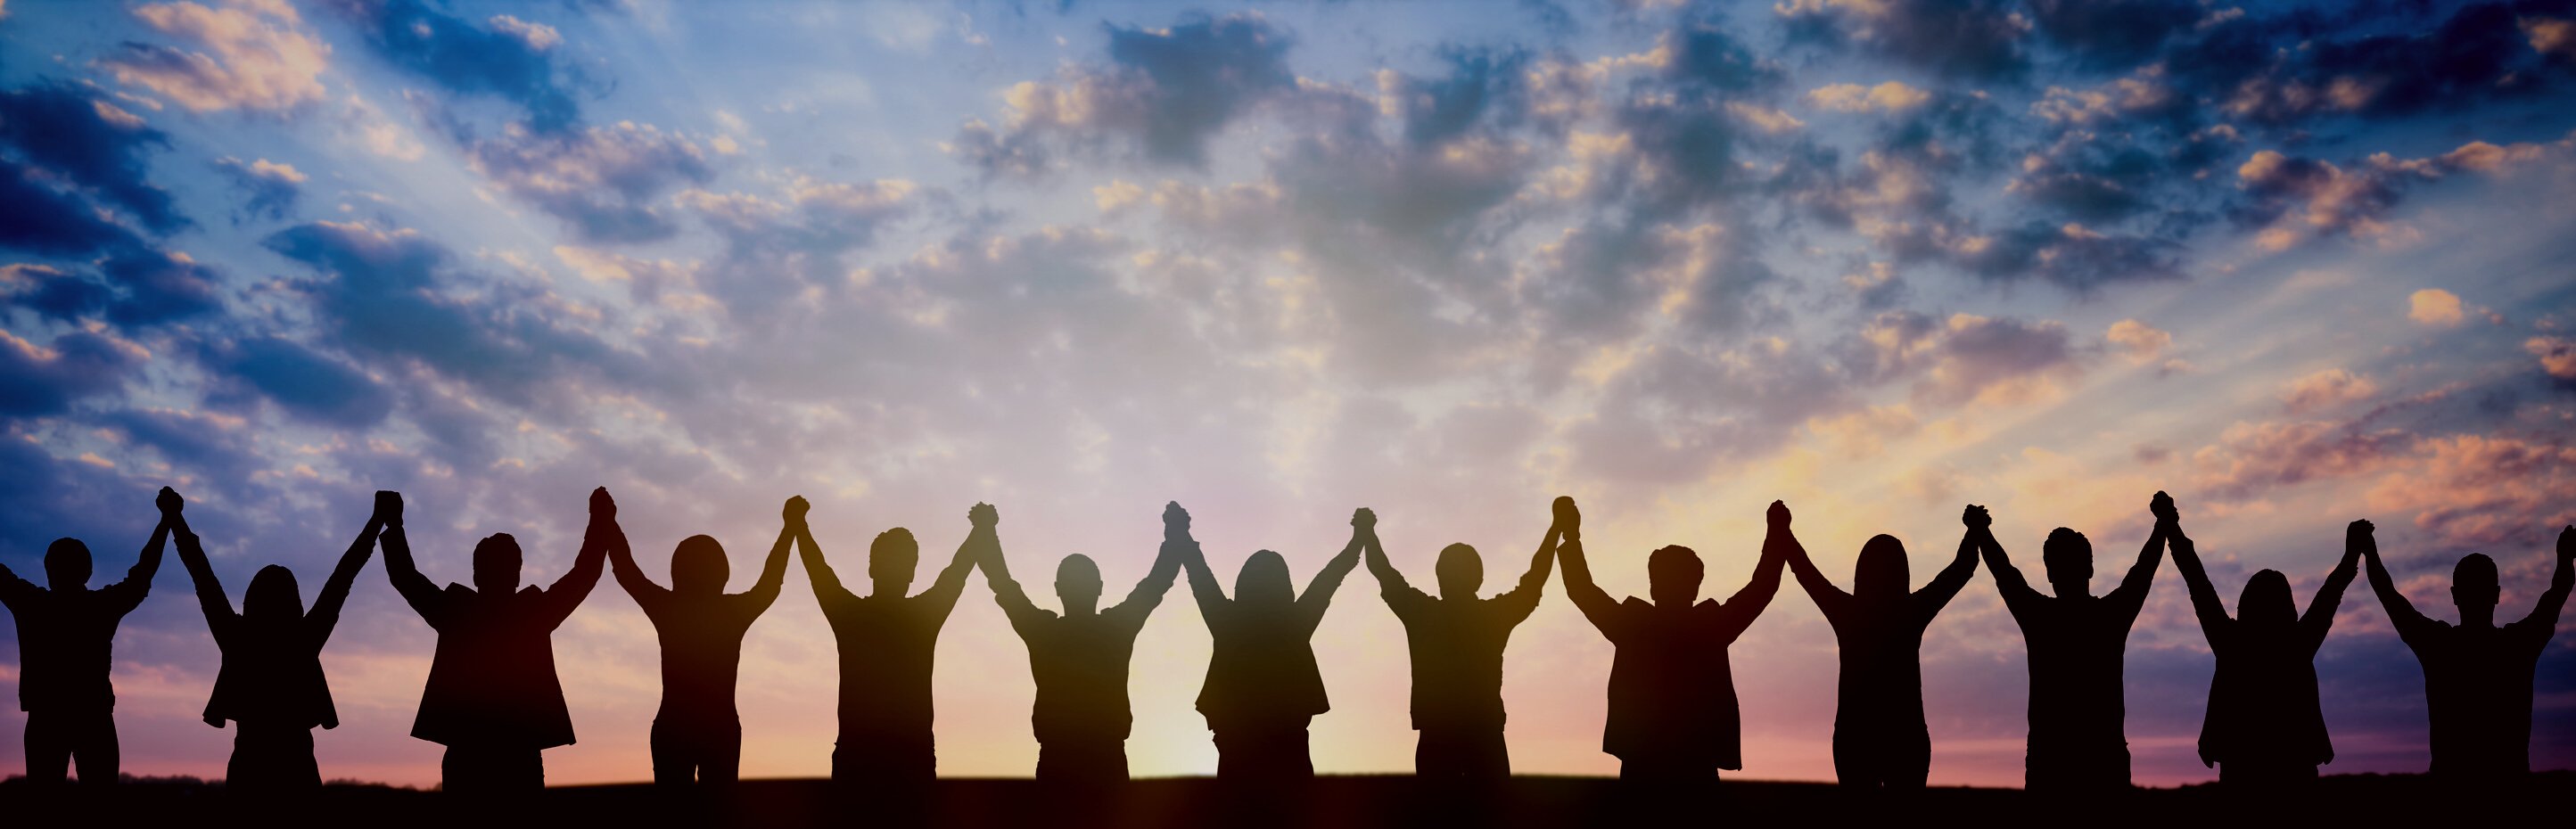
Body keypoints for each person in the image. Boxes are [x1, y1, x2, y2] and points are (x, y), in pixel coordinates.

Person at [382, 487, 611, 792]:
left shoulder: (456, 612)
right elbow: (585, 574)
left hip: (471, 752)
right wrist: (599, 522)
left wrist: (393, 525)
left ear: (476, 574)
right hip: (517, 753)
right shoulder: (534, 613)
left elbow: (404, 576)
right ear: (516, 574)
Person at [1560, 497, 1791, 784]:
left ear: (1652, 585)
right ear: (1695, 586)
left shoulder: (1632, 625)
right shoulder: (1712, 626)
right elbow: (1762, 587)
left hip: (1644, 761)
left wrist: (1570, 536)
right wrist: (1777, 535)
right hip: (1693, 762)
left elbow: (1581, 589)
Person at [172, 488, 382, 791]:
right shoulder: (304, 638)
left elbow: (201, 573)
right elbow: (343, 575)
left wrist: (175, 519)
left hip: (248, 767)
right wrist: (376, 522)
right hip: (297, 769)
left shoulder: (236, 636)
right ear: (294, 602)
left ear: (250, 600)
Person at [977, 502, 1182, 784]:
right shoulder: (1115, 629)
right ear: (1099, 587)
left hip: (1058, 763)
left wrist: (987, 533)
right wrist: (1174, 535)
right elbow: (1156, 584)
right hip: (1105, 762)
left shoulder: (1043, 632)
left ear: (1058, 590)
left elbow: (1002, 583)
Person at [1781, 503, 1978, 791]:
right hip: (1903, 735)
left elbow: (1805, 571)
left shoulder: (1848, 612)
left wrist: (1783, 531)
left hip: (1856, 736)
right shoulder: (1910, 611)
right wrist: (1974, 531)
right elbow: (1961, 570)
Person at [1979, 492, 2167, 792]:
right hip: (2103, 764)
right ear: (2090, 568)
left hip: (2051, 764)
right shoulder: (2110, 616)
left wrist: (1982, 531)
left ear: (2050, 573)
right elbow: (2142, 573)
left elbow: (2005, 574)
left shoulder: (2039, 617)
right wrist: (2162, 525)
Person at [606, 495, 797, 789]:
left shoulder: (668, 607)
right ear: (722, 573)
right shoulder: (732, 612)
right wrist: (789, 529)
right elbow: (771, 584)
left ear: (676, 571)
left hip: (675, 727)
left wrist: (608, 522)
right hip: (718, 729)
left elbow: (626, 571)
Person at [1363, 499, 1558, 781]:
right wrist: (1555, 530)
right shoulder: (1493, 617)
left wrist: (1368, 533)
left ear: (1440, 578)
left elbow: (1382, 571)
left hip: (1438, 737)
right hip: (1485, 736)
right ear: (1478, 579)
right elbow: (1534, 581)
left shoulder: (1421, 614)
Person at [2363, 521, 2573, 780]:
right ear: (2497, 595)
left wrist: (2369, 553)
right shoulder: (2518, 645)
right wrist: (2564, 560)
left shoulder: (2438, 645)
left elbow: (2388, 595)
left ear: (2454, 595)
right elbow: (2558, 592)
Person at [2169, 499, 2358, 789]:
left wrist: (2172, 529)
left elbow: (2198, 583)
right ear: (2288, 606)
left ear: (2246, 604)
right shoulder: (2297, 643)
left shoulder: (2231, 642)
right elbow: (2329, 596)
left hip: (2242, 768)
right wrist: (2351, 556)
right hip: (2294, 768)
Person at [1176, 505, 1365, 781]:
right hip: (1288, 750)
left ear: (1243, 584)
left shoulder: (1228, 622)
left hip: (1238, 751)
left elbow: (1199, 573)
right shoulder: (1295, 623)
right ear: (1284, 586)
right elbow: (1330, 577)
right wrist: (1358, 539)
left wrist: (1182, 535)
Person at [0, 487, 171, 785]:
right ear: (89, 571)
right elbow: (142, 574)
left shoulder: (32, 605)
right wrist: (166, 521)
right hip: (93, 719)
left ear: (48, 570)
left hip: (46, 718)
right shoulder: (99, 608)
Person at [800, 502, 980, 784]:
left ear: (871, 568)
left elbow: (817, 568)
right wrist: (979, 530)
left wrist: (799, 525)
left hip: (860, 757)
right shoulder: (924, 615)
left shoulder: (848, 614)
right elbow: (957, 572)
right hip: (908, 758)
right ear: (911, 574)